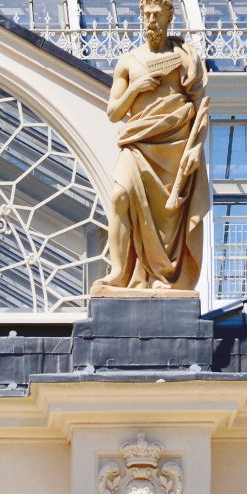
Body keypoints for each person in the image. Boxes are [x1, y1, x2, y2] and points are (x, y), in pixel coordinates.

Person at [92, 0, 208, 293]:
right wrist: (135, 87)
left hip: (175, 147)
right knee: (119, 196)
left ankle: (163, 276)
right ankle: (119, 273)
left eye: (157, 15)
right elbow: (113, 113)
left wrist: (196, 147)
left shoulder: (184, 57)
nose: (151, 22)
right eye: (146, 15)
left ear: (169, 17)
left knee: (167, 220)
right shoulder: (128, 62)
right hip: (137, 143)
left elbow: (201, 106)